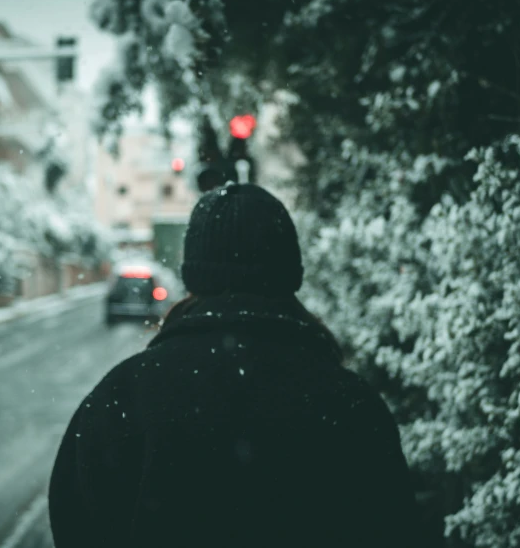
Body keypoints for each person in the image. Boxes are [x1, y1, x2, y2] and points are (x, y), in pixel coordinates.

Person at [49, 183, 420, 547]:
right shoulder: (350, 404)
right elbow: (392, 528)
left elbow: (75, 521)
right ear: (289, 273)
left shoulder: (123, 397)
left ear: (193, 274)